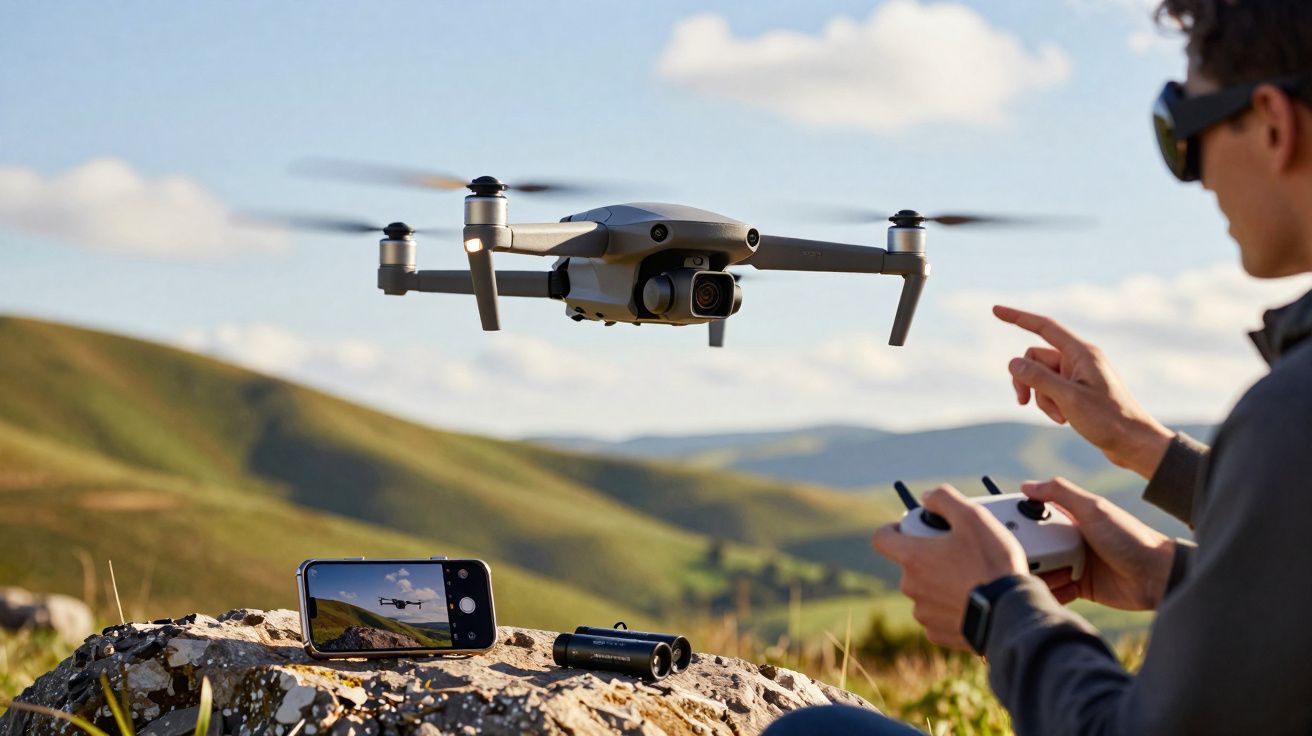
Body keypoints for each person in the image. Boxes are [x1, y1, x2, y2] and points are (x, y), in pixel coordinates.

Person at [764, 0, 1312, 733]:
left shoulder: (1291, 411)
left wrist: (1001, 609)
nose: (1198, 175)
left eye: (1182, 129)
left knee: (814, 730)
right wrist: (1164, 552)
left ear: (1273, 123)